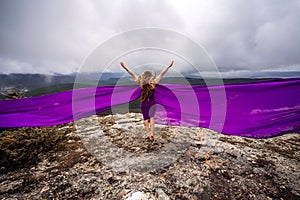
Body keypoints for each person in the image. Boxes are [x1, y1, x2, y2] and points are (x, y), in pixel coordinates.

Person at [120, 60, 174, 141]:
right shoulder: (153, 83)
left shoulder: (140, 83)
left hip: (144, 103)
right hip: (152, 103)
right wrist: (168, 67)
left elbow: (132, 74)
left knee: (145, 118)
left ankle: (147, 133)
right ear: (150, 77)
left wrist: (125, 67)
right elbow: (161, 74)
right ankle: (152, 133)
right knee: (151, 117)